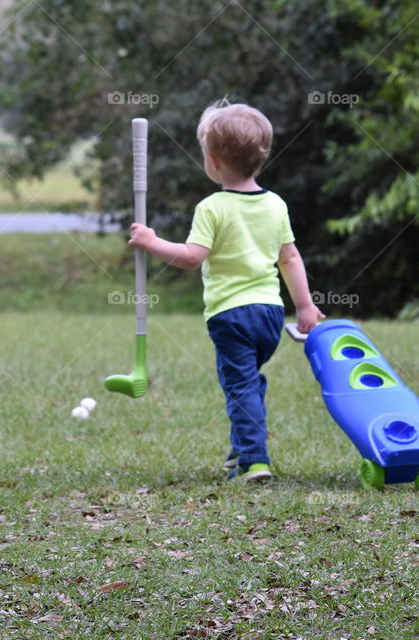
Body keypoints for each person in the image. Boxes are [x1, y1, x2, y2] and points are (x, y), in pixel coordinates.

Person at [128, 99, 324, 482]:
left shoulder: (212, 207)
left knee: (239, 387)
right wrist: (304, 306)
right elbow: (291, 258)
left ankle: (254, 460)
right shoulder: (275, 205)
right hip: (269, 314)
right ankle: (241, 449)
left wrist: (151, 242)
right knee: (249, 382)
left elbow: (190, 257)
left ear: (213, 160)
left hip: (231, 316)